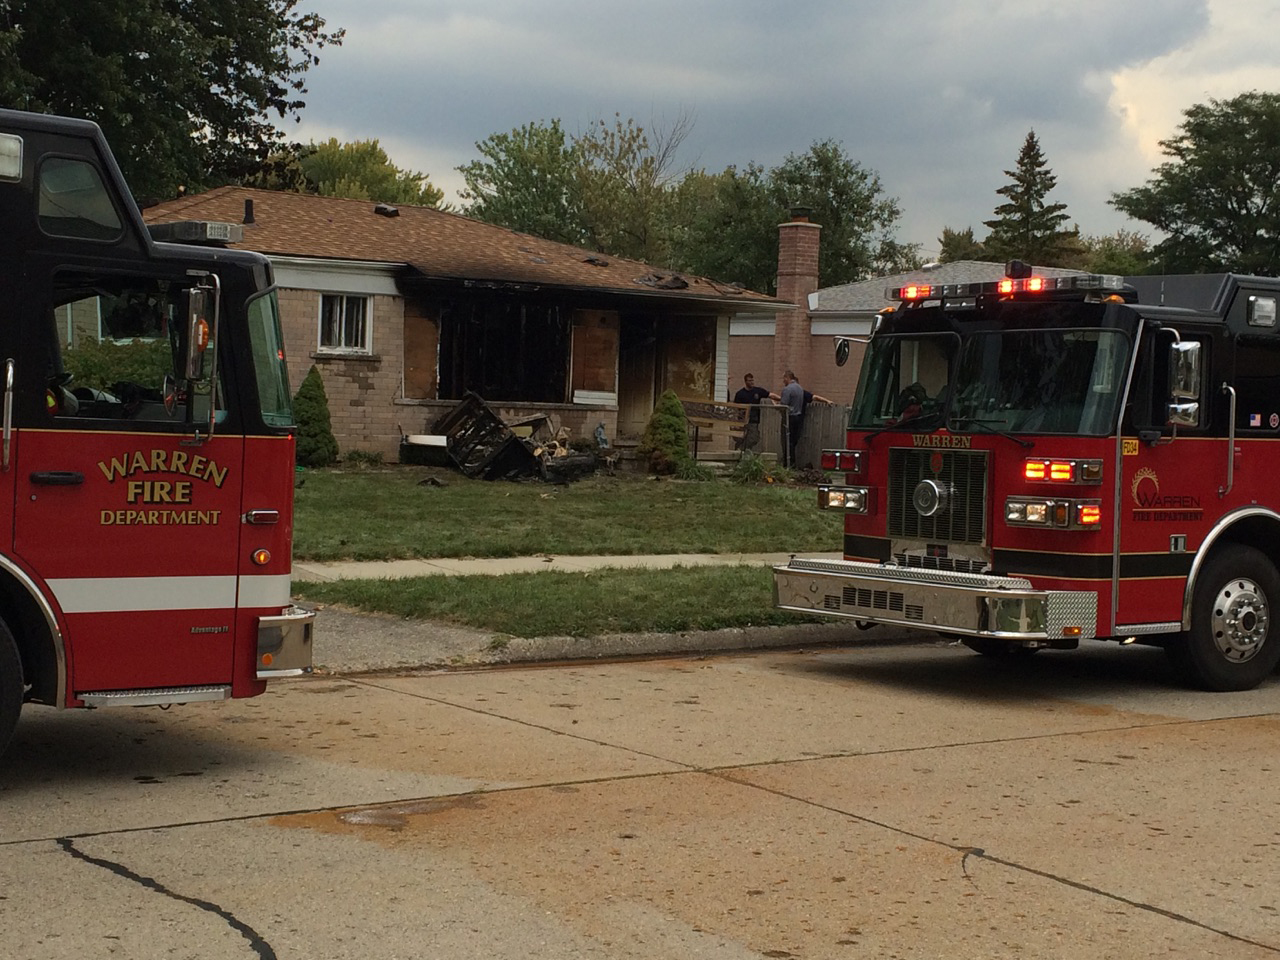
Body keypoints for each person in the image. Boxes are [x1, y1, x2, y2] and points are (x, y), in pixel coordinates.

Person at [780, 370, 831, 467]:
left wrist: (777, 407)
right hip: (798, 418)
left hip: (789, 417)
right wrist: (827, 401)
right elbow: (813, 397)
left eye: (784, 378)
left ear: (787, 377)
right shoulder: (800, 389)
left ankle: (788, 464)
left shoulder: (787, 389)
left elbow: (783, 405)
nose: (783, 381)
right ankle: (792, 463)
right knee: (793, 441)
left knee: (786, 441)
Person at [732, 373, 779, 450]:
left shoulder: (758, 391)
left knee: (754, 438)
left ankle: (741, 449)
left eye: (752, 380)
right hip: (742, 420)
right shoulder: (740, 394)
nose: (751, 382)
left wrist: (781, 399)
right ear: (745, 382)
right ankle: (742, 451)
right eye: (749, 380)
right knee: (741, 437)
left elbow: (770, 395)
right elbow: (735, 408)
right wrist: (735, 421)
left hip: (754, 420)